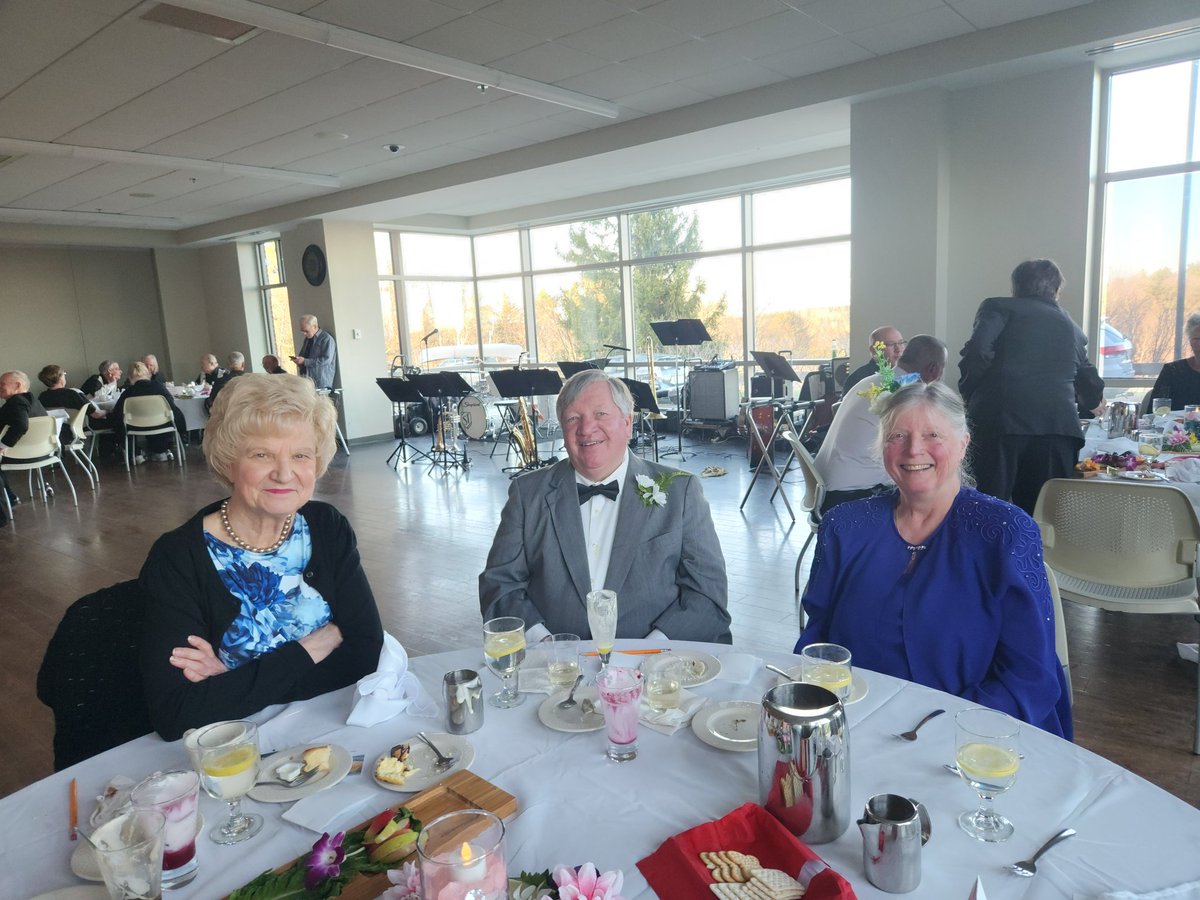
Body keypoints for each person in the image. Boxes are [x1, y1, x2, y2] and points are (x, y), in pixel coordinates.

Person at [796, 381, 1070, 738]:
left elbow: (1028, 675)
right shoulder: (845, 527)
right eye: (897, 436)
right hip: (857, 727)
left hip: (972, 736)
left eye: (932, 436)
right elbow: (817, 643)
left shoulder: (1004, 533)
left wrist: (943, 733)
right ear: (881, 447)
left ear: (962, 445)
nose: (913, 450)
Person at [138, 374, 384, 740]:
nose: (285, 473)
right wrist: (317, 643)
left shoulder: (326, 527)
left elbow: (366, 654)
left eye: (301, 455)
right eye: (261, 454)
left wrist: (235, 682)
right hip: (235, 748)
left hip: (334, 730)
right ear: (229, 461)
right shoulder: (178, 558)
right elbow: (176, 711)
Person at [479, 369, 731, 643]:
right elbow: (500, 586)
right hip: (554, 670)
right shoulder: (527, 494)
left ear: (627, 422)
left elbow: (707, 593)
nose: (586, 429)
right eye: (573, 418)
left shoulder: (681, 491)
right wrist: (546, 647)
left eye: (600, 414)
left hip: (656, 666)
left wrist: (649, 654)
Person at [959, 259, 1104, 515]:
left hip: (1000, 421)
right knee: (1044, 516)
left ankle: (991, 556)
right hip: (1057, 428)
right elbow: (1088, 377)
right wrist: (1092, 402)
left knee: (989, 510)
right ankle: (1037, 556)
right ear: (1057, 290)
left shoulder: (998, 307)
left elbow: (978, 352)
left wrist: (970, 394)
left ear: (1015, 287)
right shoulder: (1069, 325)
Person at [814, 335, 947, 512]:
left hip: (823, 488)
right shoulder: (907, 394)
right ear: (934, 370)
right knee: (936, 494)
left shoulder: (871, 381)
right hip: (851, 496)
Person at [111, 361, 186, 463]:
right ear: (148, 374)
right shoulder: (160, 388)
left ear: (129, 376)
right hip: (162, 425)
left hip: (135, 427)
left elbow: (117, 413)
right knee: (172, 415)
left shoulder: (128, 393)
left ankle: (135, 454)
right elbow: (171, 407)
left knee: (119, 421)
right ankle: (161, 451)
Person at [0, 370, 51, 522]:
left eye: (2, 384)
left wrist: (1, 445)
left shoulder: (17, 402)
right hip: (42, 453)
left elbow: (21, 425)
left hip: (19, 455)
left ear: (17, 385)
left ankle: (6, 506)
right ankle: (10, 497)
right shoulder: (32, 400)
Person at [37, 364, 109, 442]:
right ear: (60, 378)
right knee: (116, 419)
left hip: (57, 431)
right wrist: (108, 411)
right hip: (80, 427)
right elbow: (96, 414)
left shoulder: (42, 397)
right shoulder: (72, 394)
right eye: (64, 374)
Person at [1144, 313, 1200, 412]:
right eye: (1197, 339)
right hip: (1173, 427)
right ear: (1191, 342)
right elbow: (1153, 413)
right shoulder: (1172, 371)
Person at [843, 326, 906, 391]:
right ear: (874, 350)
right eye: (891, 344)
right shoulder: (859, 378)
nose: (898, 349)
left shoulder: (908, 373)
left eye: (901, 343)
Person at [291, 315, 336, 389]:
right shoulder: (307, 339)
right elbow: (304, 355)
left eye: (306, 331)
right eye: (302, 331)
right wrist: (298, 360)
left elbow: (326, 360)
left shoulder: (326, 339)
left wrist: (305, 361)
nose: (304, 334)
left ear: (314, 327)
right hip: (307, 380)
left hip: (321, 383)